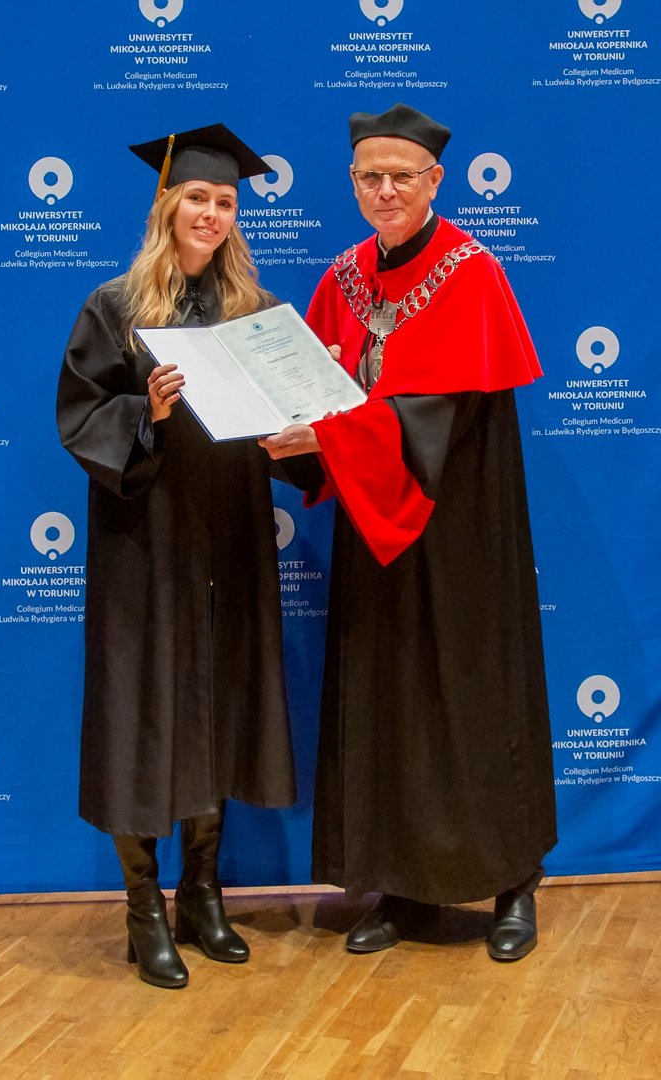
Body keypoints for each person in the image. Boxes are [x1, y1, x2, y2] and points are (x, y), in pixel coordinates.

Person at [260, 103, 557, 961]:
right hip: (375, 527)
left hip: (462, 530)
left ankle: (513, 884)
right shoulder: (344, 276)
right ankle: (399, 884)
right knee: (384, 696)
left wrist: (333, 435)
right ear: (352, 183)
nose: (384, 190)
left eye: (401, 176)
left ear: (436, 181)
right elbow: (315, 388)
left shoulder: (473, 273)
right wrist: (285, 427)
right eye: (369, 177)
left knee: (476, 693)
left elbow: (440, 414)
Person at [57, 123, 296, 989]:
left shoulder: (256, 312)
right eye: (197, 196)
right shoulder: (116, 307)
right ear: (166, 204)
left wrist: (301, 423)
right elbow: (81, 415)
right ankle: (142, 908)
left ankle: (203, 891)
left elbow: (293, 427)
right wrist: (146, 415)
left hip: (230, 534)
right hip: (146, 541)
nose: (211, 213)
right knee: (139, 711)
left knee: (219, 701)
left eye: (225, 202)